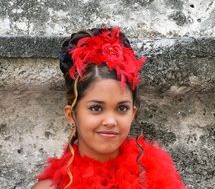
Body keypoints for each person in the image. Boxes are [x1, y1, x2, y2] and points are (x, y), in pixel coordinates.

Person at [32, 27, 185, 189]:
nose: (111, 121)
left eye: (122, 108)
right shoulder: (53, 187)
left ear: (133, 113)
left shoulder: (155, 180)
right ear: (71, 114)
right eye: (96, 108)